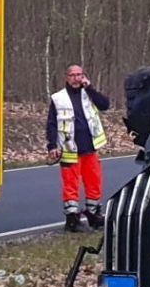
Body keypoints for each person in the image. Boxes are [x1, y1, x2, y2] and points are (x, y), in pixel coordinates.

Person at [46, 64, 112, 232]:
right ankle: (72, 219)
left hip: (90, 147)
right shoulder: (58, 98)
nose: (76, 78)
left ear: (83, 76)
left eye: (79, 75)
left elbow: (105, 105)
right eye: (73, 75)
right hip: (69, 149)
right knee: (71, 185)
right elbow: (52, 124)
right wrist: (52, 145)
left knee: (94, 182)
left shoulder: (88, 94)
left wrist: (90, 88)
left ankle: (93, 214)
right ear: (67, 77)